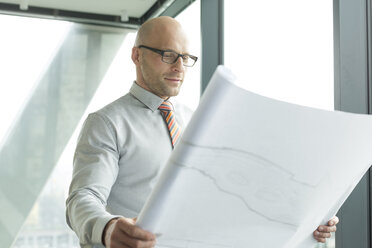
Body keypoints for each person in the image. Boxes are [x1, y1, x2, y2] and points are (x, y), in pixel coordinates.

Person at [66, 16, 338, 248]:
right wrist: (108, 228)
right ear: (137, 55)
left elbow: (231, 195)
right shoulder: (107, 122)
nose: (179, 67)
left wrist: (305, 222)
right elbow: (83, 198)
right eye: (168, 55)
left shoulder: (198, 119)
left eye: (185, 58)